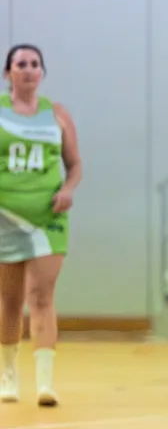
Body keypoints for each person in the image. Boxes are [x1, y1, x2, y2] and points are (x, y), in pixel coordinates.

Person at [0, 44, 81, 407]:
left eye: (35, 64)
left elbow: (75, 164)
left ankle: (46, 383)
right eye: (21, 64)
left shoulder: (58, 115)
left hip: (48, 219)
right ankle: (8, 375)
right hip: (5, 216)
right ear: (8, 73)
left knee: (43, 297)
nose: (29, 70)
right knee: (10, 299)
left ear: (42, 73)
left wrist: (68, 189)